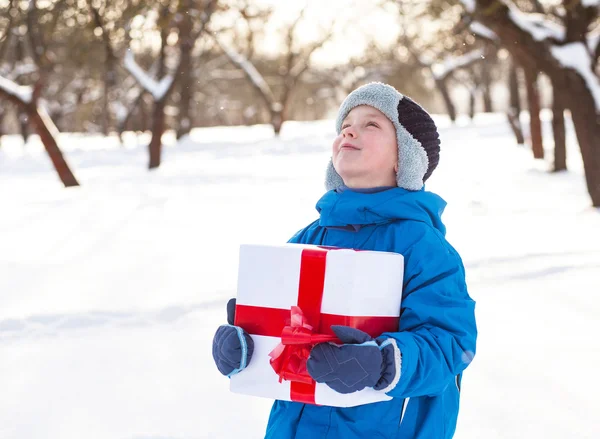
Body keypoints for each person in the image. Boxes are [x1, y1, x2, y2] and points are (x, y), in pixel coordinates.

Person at [212, 82, 477, 438]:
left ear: (405, 158)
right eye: (345, 125)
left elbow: (449, 344)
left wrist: (383, 363)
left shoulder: (422, 247)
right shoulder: (308, 238)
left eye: (372, 124)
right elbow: (281, 334)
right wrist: (243, 345)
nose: (349, 129)